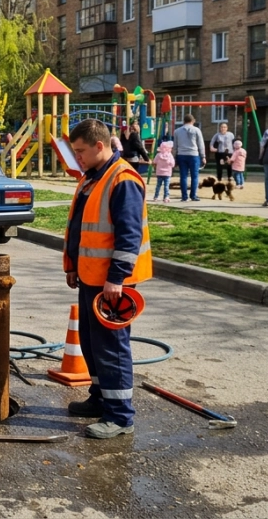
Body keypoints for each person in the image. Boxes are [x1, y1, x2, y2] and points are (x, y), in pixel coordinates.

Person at [63, 118, 152, 439]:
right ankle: (100, 399)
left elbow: (129, 236)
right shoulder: (92, 178)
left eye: (81, 151)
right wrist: (72, 264)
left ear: (100, 146)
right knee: (91, 342)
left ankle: (120, 417)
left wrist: (117, 278)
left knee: (112, 348)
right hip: (90, 277)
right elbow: (80, 229)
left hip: (112, 284)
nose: (78, 158)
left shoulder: (122, 180)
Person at [172, 114, 206, 202]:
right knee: (194, 176)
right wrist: (203, 156)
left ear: (184, 121)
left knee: (183, 176)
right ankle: (193, 195)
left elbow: (175, 146)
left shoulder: (177, 131)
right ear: (193, 121)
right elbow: (201, 144)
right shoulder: (197, 130)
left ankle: (184, 196)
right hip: (193, 154)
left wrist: (174, 157)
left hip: (181, 155)